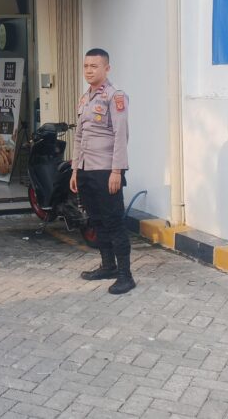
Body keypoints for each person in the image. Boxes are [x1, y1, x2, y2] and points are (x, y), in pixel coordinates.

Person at [70, 48, 135, 294]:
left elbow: (121, 135)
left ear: (107, 69)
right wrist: (75, 169)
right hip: (86, 170)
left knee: (114, 221)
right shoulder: (85, 98)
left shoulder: (115, 97)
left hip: (106, 171)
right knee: (96, 221)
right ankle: (108, 266)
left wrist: (117, 171)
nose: (89, 70)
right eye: (86, 66)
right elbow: (79, 136)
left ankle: (126, 276)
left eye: (94, 66)